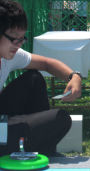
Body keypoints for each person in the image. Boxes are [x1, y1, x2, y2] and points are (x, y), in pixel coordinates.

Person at [0, 0, 82, 156]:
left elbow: (46, 63)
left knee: (33, 78)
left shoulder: (9, 55)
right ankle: (39, 149)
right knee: (60, 119)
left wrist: (74, 76)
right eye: (14, 38)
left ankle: (42, 148)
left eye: (22, 39)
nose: (19, 45)